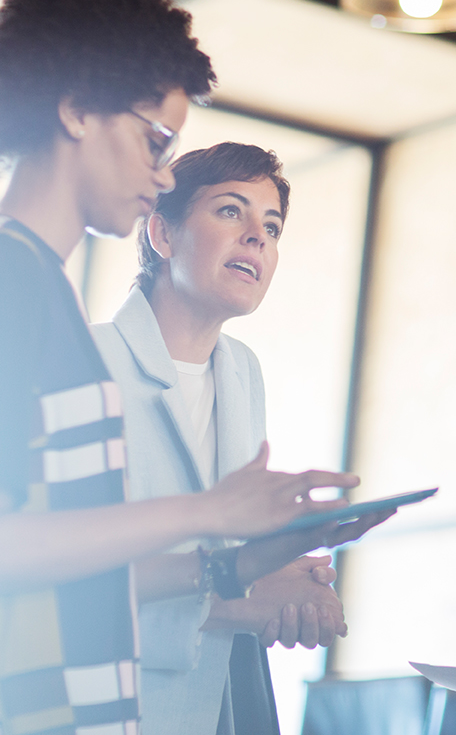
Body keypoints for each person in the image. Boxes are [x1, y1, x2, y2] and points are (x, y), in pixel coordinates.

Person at [0, 0, 361, 735]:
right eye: (153, 139)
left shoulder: (43, 295)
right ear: (73, 111)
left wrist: (237, 564)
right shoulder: (15, 287)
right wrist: (209, 514)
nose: (160, 172)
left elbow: (79, 566)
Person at [91, 142, 388, 735]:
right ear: (161, 234)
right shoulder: (85, 362)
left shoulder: (242, 372)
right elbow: (63, 571)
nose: (258, 237)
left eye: (272, 226)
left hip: (208, 705)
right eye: (231, 211)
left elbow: (217, 553)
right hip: (102, 707)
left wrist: (273, 575)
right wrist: (244, 598)